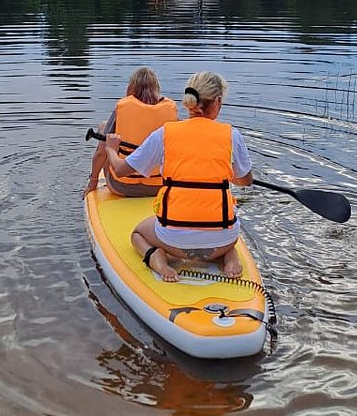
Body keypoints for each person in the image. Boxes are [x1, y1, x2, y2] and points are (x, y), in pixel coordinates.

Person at [104, 70, 253, 281]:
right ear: (217, 102)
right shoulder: (232, 135)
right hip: (223, 239)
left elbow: (119, 169)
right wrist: (226, 176)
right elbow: (245, 181)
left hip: (173, 241)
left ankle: (155, 256)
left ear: (188, 101)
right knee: (229, 226)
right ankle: (229, 255)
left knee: (137, 234)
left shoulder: (165, 134)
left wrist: (111, 148)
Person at [85, 67, 178, 197]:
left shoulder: (123, 108)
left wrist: (93, 182)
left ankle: (94, 179)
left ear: (131, 87)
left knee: (104, 128)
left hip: (123, 186)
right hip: (159, 187)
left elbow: (101, 154)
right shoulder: (171, 111)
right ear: (157, 88)